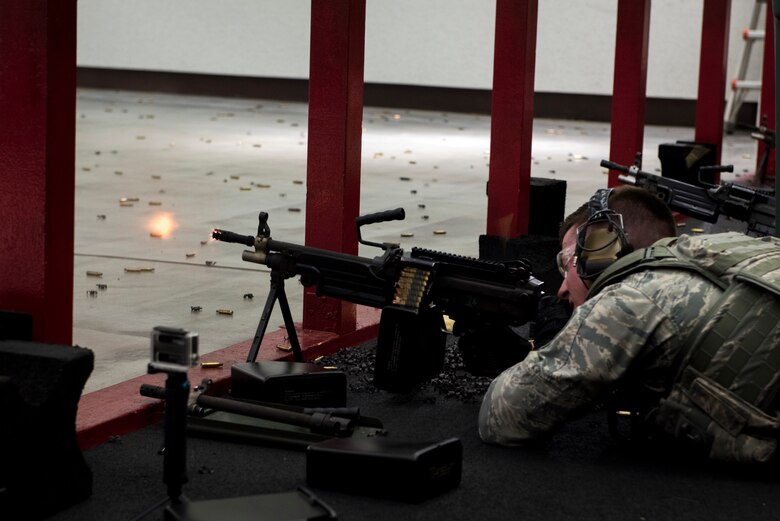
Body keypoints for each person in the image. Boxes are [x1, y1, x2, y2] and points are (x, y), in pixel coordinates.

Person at [478, 185, 700, 445]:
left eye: (567, 262)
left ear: (601, 255)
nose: (561, 290)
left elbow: (500, 417)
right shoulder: (699, 269)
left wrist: (547, 355)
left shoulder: (630, 302)